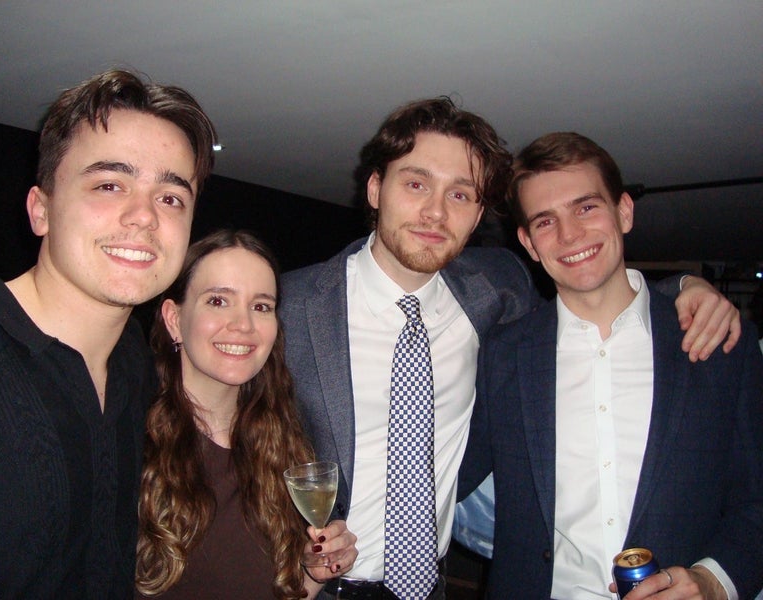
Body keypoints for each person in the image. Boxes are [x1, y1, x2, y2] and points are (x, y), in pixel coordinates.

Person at [279, 97, 741, 600]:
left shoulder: (495, 290)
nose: (435, 211)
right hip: (313, 587)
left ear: (479, 214)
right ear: (375, 189)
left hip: (433, 587)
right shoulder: (288, 308)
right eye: (416, 184)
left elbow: (590, 285)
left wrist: (682, 289)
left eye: (461, 194)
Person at [458, 132, 763, 600]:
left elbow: (756, 502)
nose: (570, 235)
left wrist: (712, 581)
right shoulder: (500, 356)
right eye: (545, 221)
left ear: (624, 211)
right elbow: (442, 473)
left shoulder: (722, 346)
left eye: (586, 207)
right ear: (528, 243)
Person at [0, 69, 216, 598]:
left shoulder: (134, 364)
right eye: (109, 185)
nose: (144, 217)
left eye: (171, 197)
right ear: (41, 210)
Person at [135, 229, 358, 599]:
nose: (243, 325)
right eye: (218, 301)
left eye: (261, 307)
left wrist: (313, 574)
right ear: (174, 319)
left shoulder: (285, 444)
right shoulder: (129, 440)